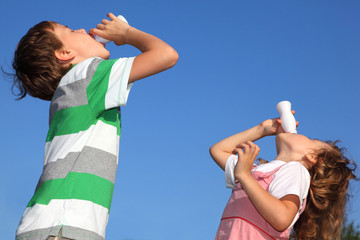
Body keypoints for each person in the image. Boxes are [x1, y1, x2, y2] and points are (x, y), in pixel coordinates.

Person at [12, 13, 178, 240]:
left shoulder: (71, 90)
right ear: (64, 54)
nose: (82, 29)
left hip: (54, 226)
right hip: (62, 226)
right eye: (70, 30)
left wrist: (95, 44)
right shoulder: (86, 76)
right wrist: (126, 34)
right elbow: (166, 55)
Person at [209, 115, 356, 240]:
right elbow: (217, 150)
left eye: (312, 139)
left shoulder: (296, 170)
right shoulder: (254, 171)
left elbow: (282, 217)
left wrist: (244, 176)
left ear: (312, 157)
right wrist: (261, 129)